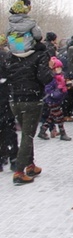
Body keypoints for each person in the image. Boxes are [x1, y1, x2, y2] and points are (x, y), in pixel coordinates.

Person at [2, 26, 53, 184]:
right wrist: (51, 71)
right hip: (32, 99)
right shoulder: (39, 55)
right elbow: (45, 78)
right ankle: (19, 171)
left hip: (14, 99)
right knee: (27, 135)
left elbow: (8, 74)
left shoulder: (12, 55)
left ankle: (30, 165)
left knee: (26, 133)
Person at [38, 56, 71, 141]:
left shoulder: (60, 77)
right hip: (52, 100)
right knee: (59, 117)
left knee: (52, 116)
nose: (59, 69)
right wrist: (55, 93)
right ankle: (62, 133)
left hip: (57, 99)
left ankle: (43, 130)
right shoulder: (51, 79)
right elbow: (48, 89)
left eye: (60, 67)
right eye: (57, 68)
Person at [0, 35, 19, 172]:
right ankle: (13, 159)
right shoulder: (7, 57)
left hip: (4, 96)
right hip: (5, 98)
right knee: (8, 129)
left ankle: (3, 158)